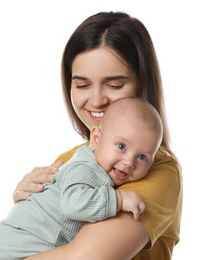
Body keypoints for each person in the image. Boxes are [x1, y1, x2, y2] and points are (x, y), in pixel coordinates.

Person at [12, 11, 183, 260]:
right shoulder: (69, 158)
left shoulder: (158, 169)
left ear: (143, 83)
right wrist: (26, 204)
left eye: (115, 85)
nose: (96, 100)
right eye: (82, 85)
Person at [0, 97, 163, 260]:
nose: (129, 162)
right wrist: (119, 199)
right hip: (20, 241)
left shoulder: (158, 173)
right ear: (96, 138)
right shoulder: (85, 167)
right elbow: (74, 204)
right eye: (121, 146)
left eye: (142, 157)